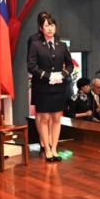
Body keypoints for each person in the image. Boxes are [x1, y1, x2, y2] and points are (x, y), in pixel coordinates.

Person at [28, 13, 74, 162]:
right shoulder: (36, 45)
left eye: (52, 25)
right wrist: (48, 76)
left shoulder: (62, 45)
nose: (50, 28)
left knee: (56, 118)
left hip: (58, 87)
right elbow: (31, 66)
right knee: (44, 118)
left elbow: (70, 64)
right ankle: (46, 148)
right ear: (41, 28)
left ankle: (54, 149)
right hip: (42, 87)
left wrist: (63, 74)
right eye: (46, 25)